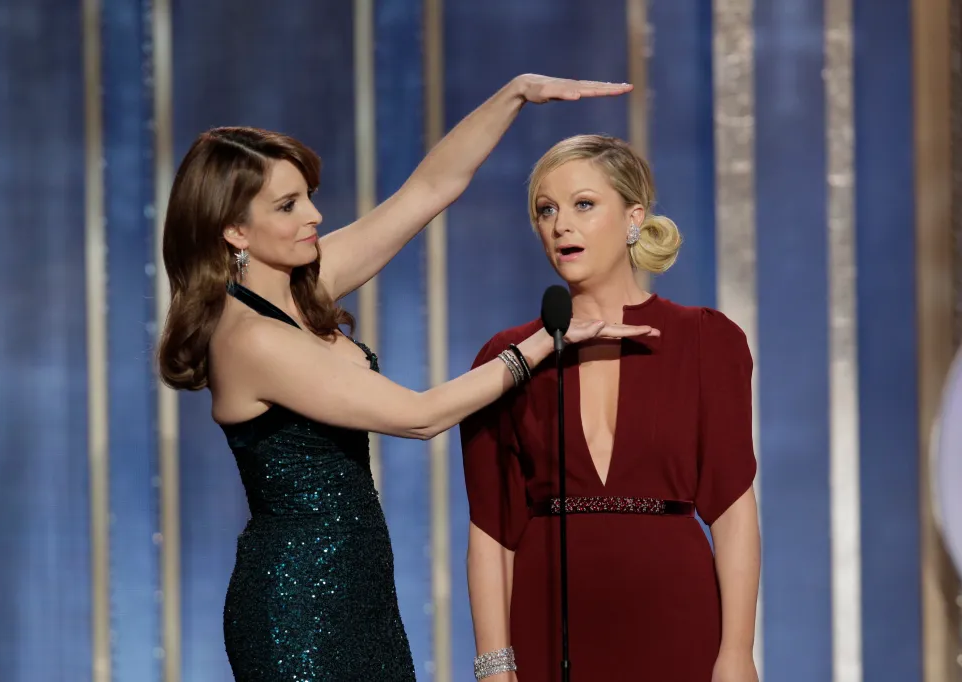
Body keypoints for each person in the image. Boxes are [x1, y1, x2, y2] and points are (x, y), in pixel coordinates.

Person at [156, 77, 656, 682]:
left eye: (308, 196)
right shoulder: (251, 338)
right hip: (298, 603)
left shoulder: (303, 285)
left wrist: (515, 97)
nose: (314, 215)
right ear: (235, 230)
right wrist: (548, 342)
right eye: (287, 206)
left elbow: (429, 189)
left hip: (358, 584)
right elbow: (420, 416)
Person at [461, 134, 761, 682]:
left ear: (633, 218)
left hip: (677, 619)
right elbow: (491, 529)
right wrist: (493, 665)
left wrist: (736, 652)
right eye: (545, 210)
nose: (560, 225)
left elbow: (734, 509)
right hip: (546, 623)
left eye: (583, 204)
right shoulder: (507, 359)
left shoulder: (704, 340)